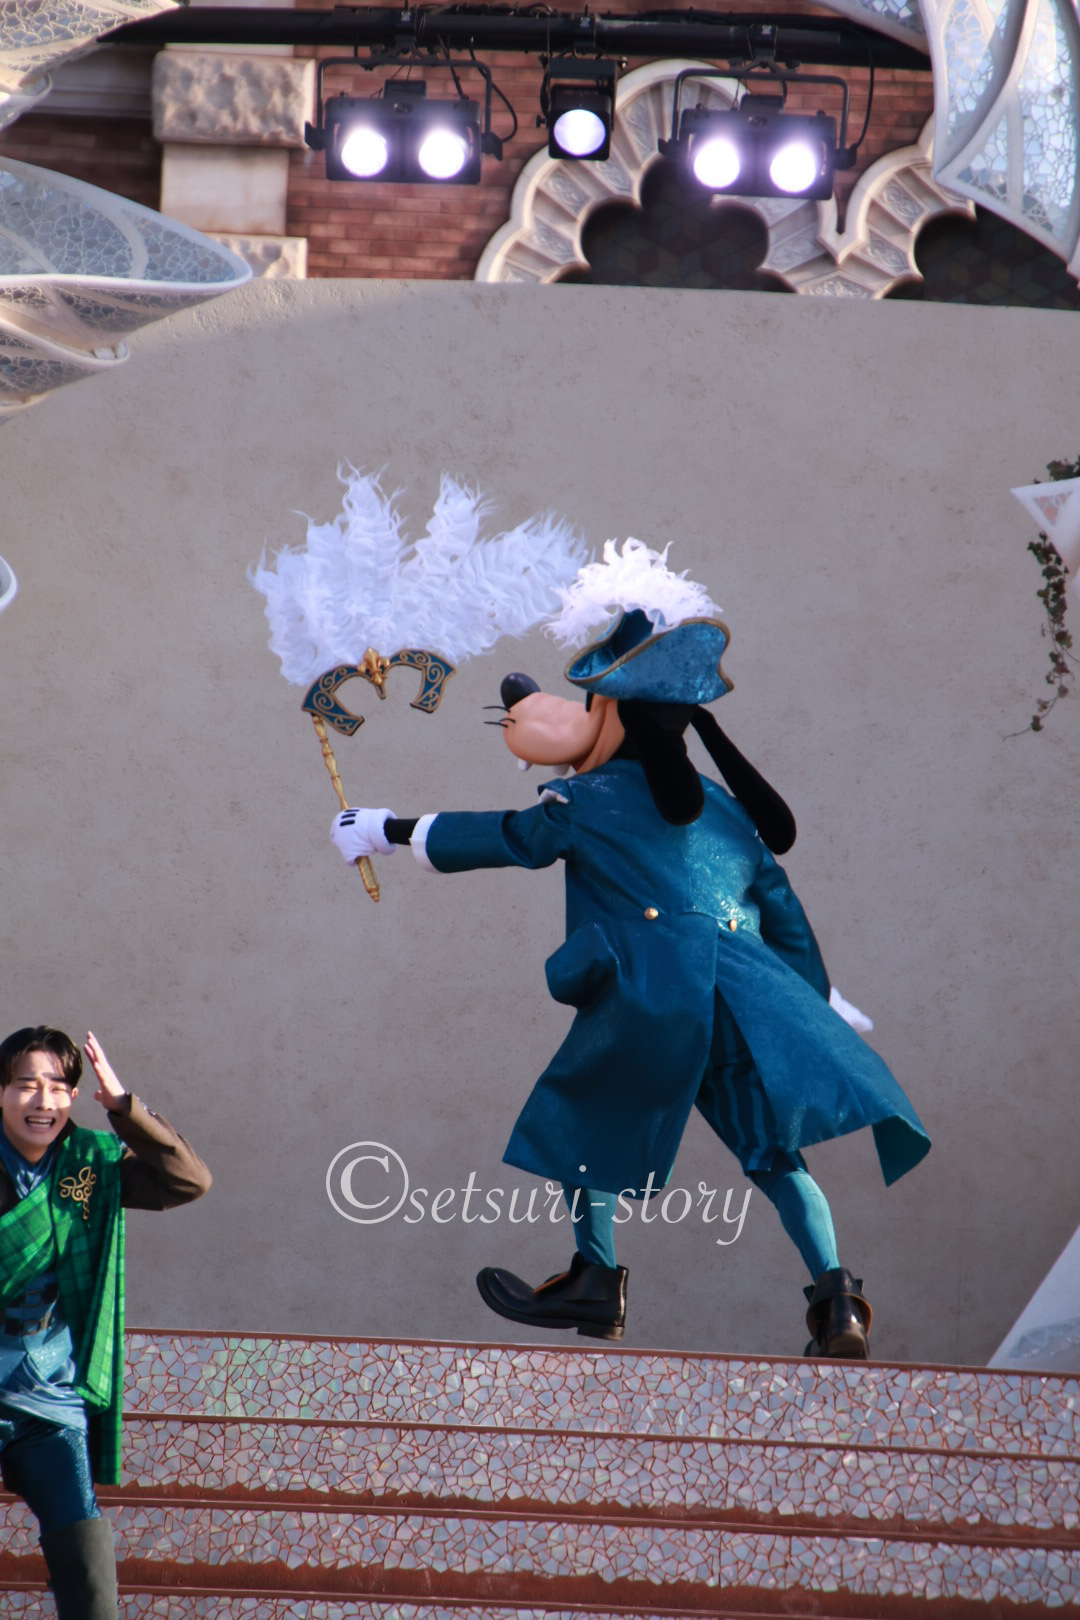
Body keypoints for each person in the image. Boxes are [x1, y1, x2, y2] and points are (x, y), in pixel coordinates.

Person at [329, 552, 930, 1357]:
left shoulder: (587, 798)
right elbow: (783, 912)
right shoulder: (727, 811)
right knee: (772, 1152)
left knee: (587, 1116)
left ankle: (595, 1278)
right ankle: (838, 1302)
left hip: (654, 991)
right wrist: (811, 999)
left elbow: (510, 838)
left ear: (613, 711)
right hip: (745, 995)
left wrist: (389, 829)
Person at [0, 1025, 211, 1620]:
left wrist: (124, 1108)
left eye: (57, 1087)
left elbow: (188, 1180)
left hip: (46, 1397)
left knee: (90, 1576)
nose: (42, 1101)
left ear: (73, 1096)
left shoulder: (90, 1163)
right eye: (26, 1085)